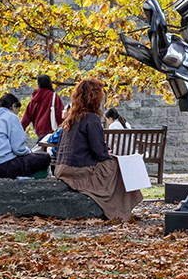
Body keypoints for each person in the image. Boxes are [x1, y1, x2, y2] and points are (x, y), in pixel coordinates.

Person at [52, 78, 143, 222]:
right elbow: (100, 153)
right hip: (77, 171)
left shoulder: (71, 118)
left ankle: (121, 208)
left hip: (61, 169)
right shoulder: (91, 118)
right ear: (95, 97)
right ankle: (120, 209)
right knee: (117, 165)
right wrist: (108, 153)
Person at [0, 92, 51, 180]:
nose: (17, 113)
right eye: (18, 110)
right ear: (13, 106)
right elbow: (18, 149)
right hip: (0, 166)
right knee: (45, 157)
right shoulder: (11, 116)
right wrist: (29, 151)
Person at [20, 74, 65, 140]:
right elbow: (59, 114)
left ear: (39, 84)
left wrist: (19, 131)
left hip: (40, 132)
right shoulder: (54, 96)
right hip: (52, 132)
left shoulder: (35, 98)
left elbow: (26, 117)